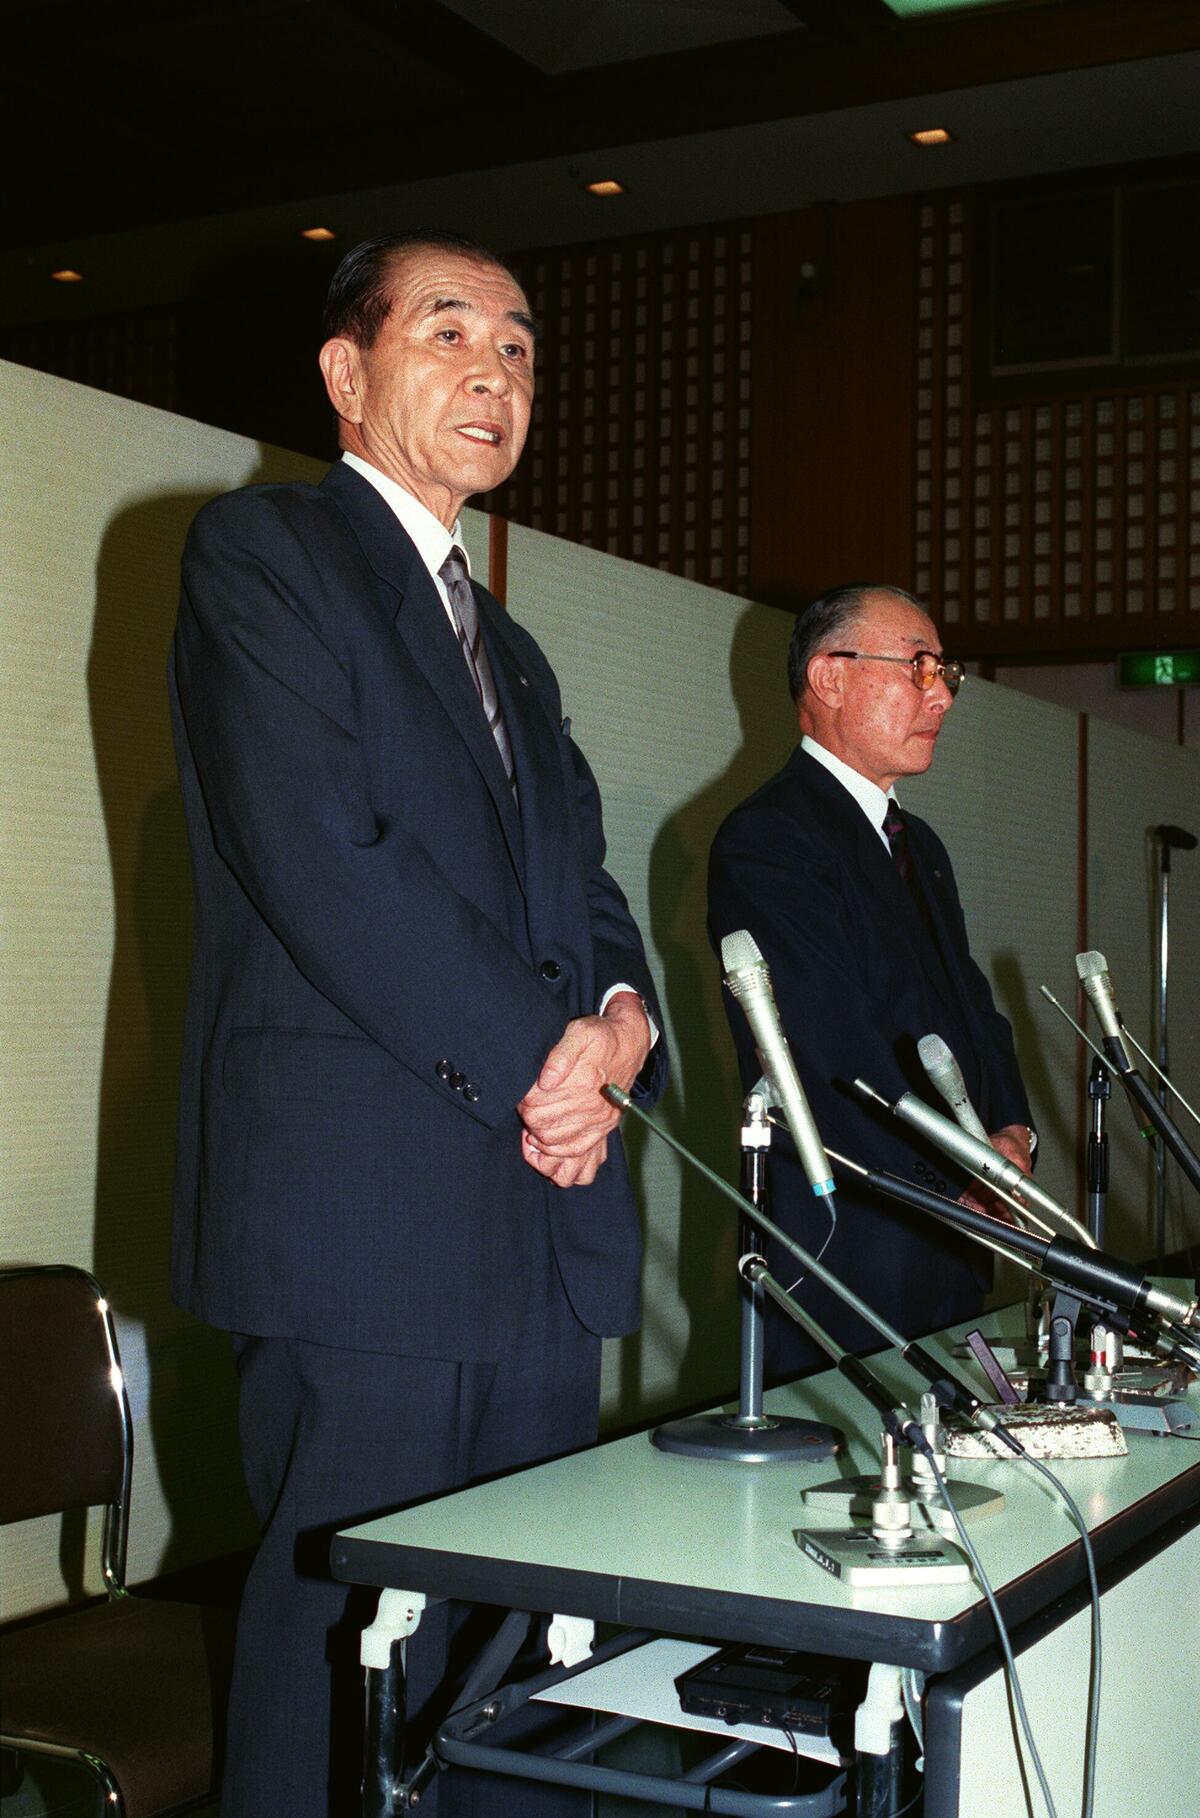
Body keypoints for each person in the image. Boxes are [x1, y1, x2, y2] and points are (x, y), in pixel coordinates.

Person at [168, 230, 666, 1818]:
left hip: (539, 1216)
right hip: (362, 1222)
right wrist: (546, 1062)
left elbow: (579, 879)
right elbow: (329, 862)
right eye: (449, 332)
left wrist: (620, 1017)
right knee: (340, 1667)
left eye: (520, 347)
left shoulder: (510, 646)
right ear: (345, 373)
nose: (494, 372)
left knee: (510, 1673)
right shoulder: (264, 559)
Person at [707, 583, 1033, 1376]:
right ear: (830, 679)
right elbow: (829, 1045)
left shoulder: (918, 843)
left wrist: (1011, 1134)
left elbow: (970, 1010)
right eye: (919, 667)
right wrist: (955, 1185)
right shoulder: (770, 836)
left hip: (958, 1230)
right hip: (848, 1239)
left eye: (944, 673)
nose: (942, 696)